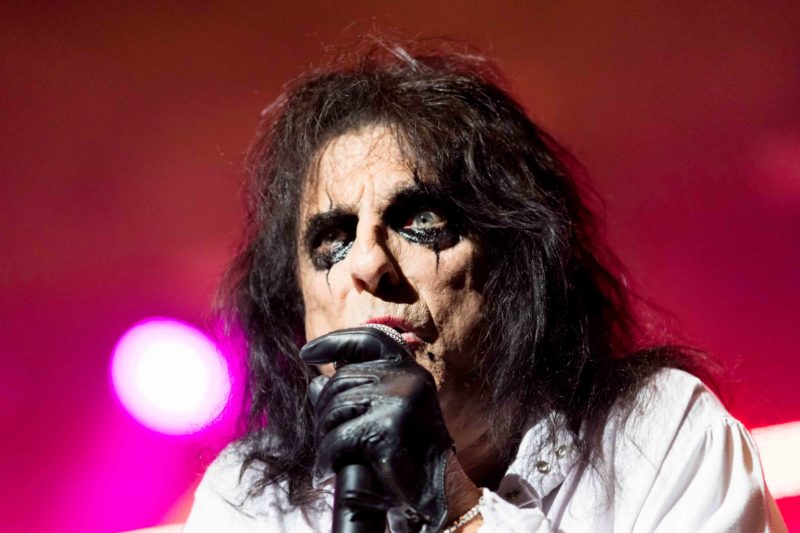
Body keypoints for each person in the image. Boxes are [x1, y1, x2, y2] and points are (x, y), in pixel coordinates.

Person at [184, 38, 786, 532]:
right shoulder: (253, 502)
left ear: (515, 264)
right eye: (332, 238)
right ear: (298, 307)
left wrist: (451, 501)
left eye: (421, 220)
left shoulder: (657, 438)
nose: (367, 262)